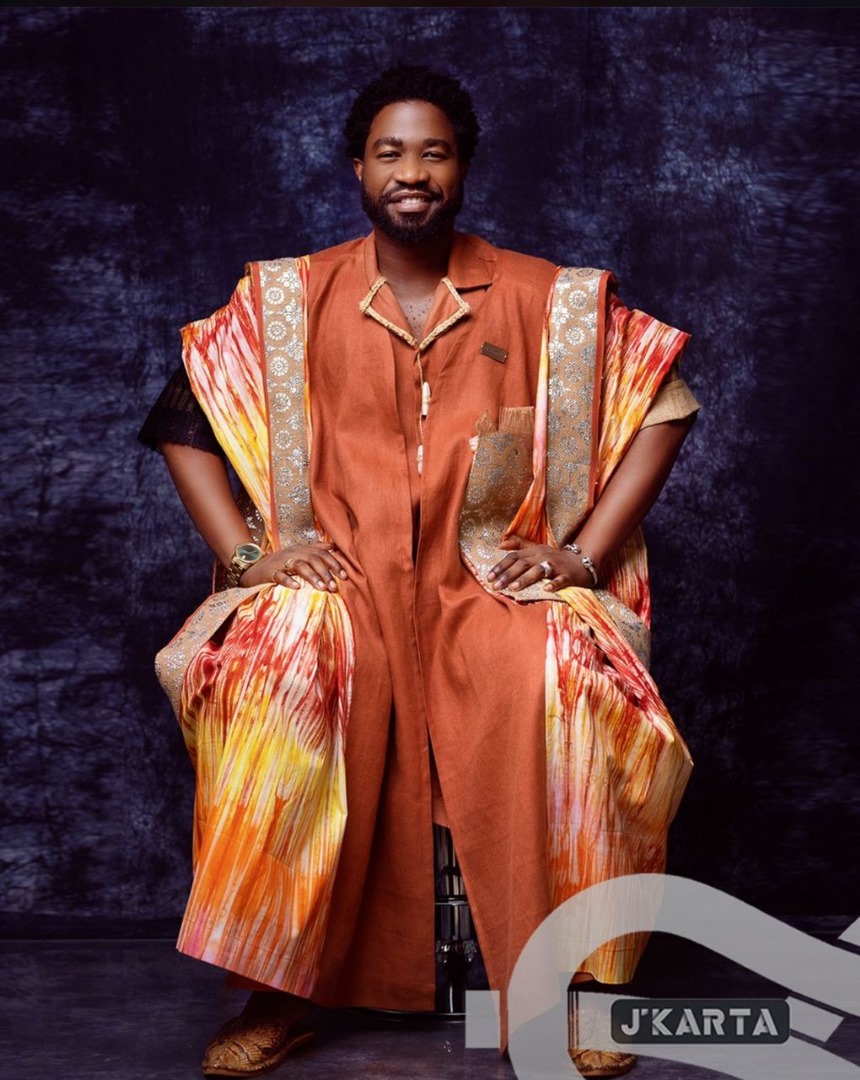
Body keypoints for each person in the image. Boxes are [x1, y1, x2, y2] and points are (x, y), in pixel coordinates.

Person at [139, 64, 699, 1079]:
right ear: (357, 168)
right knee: (283, 673)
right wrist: (252, 559)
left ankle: (571, 987)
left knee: (561, 677)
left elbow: (663, 406)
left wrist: (578, 553)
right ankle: (279, 990)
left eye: (433, 152)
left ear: (462, 169)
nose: (411, 172)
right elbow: (185, 422)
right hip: (342, 584)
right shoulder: (287, 297)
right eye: (389, 152)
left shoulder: (545, 297)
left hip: (487, 584)